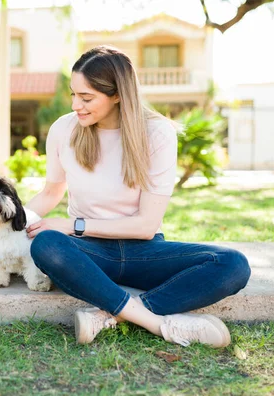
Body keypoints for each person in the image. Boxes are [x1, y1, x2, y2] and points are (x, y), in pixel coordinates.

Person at [25, 45, 251, 348]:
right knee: (47, 245)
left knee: (233, 265)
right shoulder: (64, 129)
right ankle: (158, 324)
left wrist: (73, 225)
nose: (76, 105)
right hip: (88, 252)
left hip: (143, 250)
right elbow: (51, 191)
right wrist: (9, 225)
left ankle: (109, 315)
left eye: (87, 97)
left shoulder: (157, 133)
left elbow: (145, 225)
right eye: (73, 94)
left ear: (117, 94)